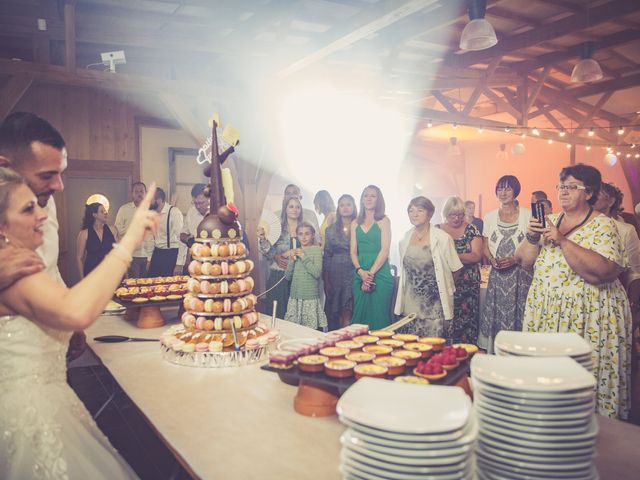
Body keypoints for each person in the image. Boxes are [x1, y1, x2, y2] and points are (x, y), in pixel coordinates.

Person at [0, 167, 159, 478]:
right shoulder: (11, 270)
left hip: (52, 402)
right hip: (27, 417)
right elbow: (76, 311)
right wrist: (129, 242)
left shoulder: (21, 262)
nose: (43, 216)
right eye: (29, 208)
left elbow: (56, 311)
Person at [516, 164, 631, 420]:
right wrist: (533, 237)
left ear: (588, 193)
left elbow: (601, 271)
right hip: (547, 314)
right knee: (549, 384)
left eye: (571, 187)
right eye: (561, 186)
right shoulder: (551, 220)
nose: (563, 192)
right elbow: (523, 262)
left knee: (583, 382)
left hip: (587, 317)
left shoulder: (604, 226)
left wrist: (563, 241)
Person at [479, 175, 533, 353]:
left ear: (516, 191)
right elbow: (485, 245)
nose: (503, 192)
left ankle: (520, 354)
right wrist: (492, 259)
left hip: (521, 275)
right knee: (496, 313)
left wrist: (515, 259)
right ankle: (497, 352)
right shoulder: (489, 217)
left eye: (508, 188)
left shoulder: (528, 215)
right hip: (498, 276)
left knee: (521, 312)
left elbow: (535, 245)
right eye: (500, 189)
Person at [394, 196, 462, 337]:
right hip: (411, 303)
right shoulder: (404, 239)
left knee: (434, 348)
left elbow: (456, 269)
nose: (415, 214)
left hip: (435, 304)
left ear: (430, 214)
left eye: (420, 210)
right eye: (411, 211)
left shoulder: (443, 238)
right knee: (411, 348)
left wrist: (444, 286)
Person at [437, 196, 482, 344]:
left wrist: (451, 256)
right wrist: (464, 255)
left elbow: (476, 256)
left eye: (460, 215)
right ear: (445, 213)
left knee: (467, 322)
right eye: (452, 215)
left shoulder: (471, 229)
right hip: (443, 282)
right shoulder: (436, 230)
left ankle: (466, 355)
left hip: (467, 284)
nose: (456, 218)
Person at [350, 185, 393, 330]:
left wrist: (370, 275)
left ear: (378, 199)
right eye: (365, 195)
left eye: (372, 196)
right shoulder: (354, 223)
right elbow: (353, 252)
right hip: (360, 273)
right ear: (361, 199)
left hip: (380, 273)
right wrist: (361, 271)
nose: (368, 198)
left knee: (380, 316)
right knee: (359, 317)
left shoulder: (384, 221)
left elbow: (385, 250)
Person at [259, 196, 303, 319]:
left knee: (296, 313)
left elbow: (312, 249)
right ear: (285, 209)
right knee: (277, 311)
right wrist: (274, 254)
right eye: (291, 206)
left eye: (297, 207)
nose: (294, 209)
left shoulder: (305, 229)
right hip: (279, 273)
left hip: (299, 276)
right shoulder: (277, 228)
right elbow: (267, 250)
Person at [284, 222, 328, 330]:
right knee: (294, 329)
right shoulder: (295, 251)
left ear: (313, 235)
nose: (303, 237)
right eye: (300, 234)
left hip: (310, 297)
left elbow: (317, 273)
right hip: (295, 297)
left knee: (309, 330)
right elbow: (287, 277)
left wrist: (304, 257)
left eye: (307, 234)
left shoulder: (316, 250)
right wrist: (291, 260)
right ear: (297, 235)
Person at [323, 194, 357, 330]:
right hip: (335, 271)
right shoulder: (330, 230)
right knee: (334, 309)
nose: (345, 208)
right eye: (342, 205)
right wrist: (326, 278)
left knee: (349, 308)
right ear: (338, 208)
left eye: (349, 204)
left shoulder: (360, 227)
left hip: (353, 270)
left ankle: (349, 339)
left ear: (354, 207)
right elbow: (327, 254)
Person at [115, 181, 150, 278]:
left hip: (149, 256)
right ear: (132, 194)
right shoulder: (124, 209)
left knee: (147, 287)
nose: (139, 194)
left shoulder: (151, 210)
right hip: (131, 255)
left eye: (141, 191)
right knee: (132, 286)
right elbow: (117, 230)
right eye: (136, 191)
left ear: (145, 193)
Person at [147, 187, 184, 277]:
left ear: (159, 200)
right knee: (153, 284)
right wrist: (149, 259)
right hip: (156, 253)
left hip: (171, 254)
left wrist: (179, 264)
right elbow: (151, 238)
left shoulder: (174, 212)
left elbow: (181, 239)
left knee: (169, 285)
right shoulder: (152, 214)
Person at [76, 202, 118, 278]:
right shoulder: (84, 234)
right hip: (91, 273)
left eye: (105, 211)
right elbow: (79, 258)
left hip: (110, 272)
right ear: (94, 215)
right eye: (102, 211)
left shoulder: (113, 230)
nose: (105, 213)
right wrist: (82, 279)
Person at [179, 183, 208, 273]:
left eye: (201, 203)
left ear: (210, 199)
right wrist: (188, 240)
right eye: (195, 203)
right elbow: (182, 234)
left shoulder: (219, 212)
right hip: (196, 258)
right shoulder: (192, 211)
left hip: (215, 260)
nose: (198, 206)